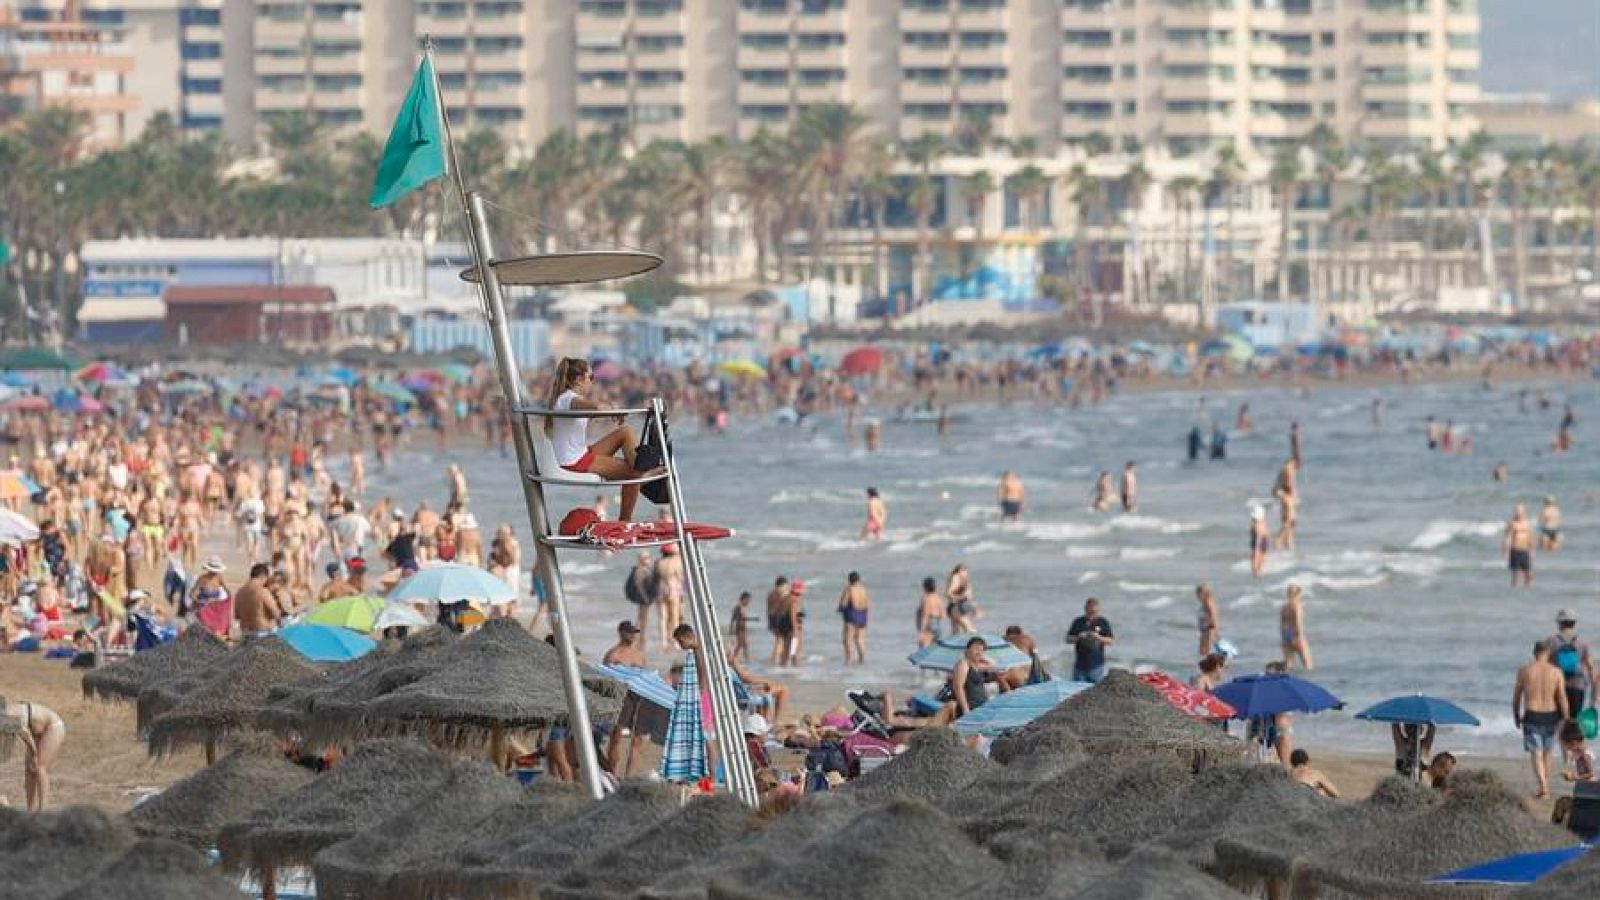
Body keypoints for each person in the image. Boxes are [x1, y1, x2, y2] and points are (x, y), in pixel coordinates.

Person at [542, 357, 661, 521]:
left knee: (624, 432)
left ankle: (641, 470)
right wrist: (610, 410)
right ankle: (625, 521)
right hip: (575, 461)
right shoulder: (570, 399)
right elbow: (596, 407)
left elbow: (587, 413)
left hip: (579, 453)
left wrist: (610, 410)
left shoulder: (565, 398)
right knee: (633, 473)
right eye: (591, 378)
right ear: (578, 380)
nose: (592, 382)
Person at [1514, 640, 1571, 800]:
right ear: (1548, 653)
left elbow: (1517, 696)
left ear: (1534, 653)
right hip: (1551, 715)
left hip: (1532, 714)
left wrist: (1516, 715)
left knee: (1536, 753)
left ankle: (1544, 787)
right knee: (1548, 753)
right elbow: (1562, 698)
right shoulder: (1556, 672)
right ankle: (1544, 787)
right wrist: (1566, 718)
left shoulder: (1525, 670)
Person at [1, 696, 65, 811]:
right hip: (34, 731)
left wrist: (34, 754)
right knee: (29, 769)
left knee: (40, 767)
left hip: (52, 727)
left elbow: (25, 734)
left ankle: (42, 811)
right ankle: (30, 810)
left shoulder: (7, 717)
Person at [1548, 609, 1595, 717]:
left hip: (1557, 686)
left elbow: (1545, 666)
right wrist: (1593, 691)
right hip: (1578, 685)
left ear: (1559, 623)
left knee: (1558, 721)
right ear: (1574, 623)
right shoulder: (1582, 643)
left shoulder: (1551, 641)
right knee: (1574, 721)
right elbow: (1590, 667)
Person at [1066, 597, 1114, 683]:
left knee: (1097, 693)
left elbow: (1110, 641)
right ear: (1085, 609)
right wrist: (1079, 637)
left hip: (1097, 666)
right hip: (1080, 666)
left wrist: (1097, 637)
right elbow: (1068, 639)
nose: (1091, 614)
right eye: (1089, 612)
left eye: (1094, 612)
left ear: (1098, 610)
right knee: (1078, 693)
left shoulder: (1102, 622)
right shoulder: (1078, 622)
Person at [949, 636, 995, 717]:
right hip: (970, 708)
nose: (979, 652)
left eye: (982, 650)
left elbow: (992, 664)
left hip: (980, 708)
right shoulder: (963, 664)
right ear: (967, 650)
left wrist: (980, 655)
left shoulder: (976, 666)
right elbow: (958, 687)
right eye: (976, 649)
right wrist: (965, 710)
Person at [235, 563, 281, 636]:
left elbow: (237, 615)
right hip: (262, 633)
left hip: (246, 633)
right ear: (263, 576)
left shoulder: (239, 592)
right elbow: (276, 614)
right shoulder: (263, 591)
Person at [653, 544, 685, 644]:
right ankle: (675, 642)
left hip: (661, 588)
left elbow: (655, 577)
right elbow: (680, 577)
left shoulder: (658, 562)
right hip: (673, 588)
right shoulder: (676, 562)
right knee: (674, 617)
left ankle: (664, 641)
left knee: (663, 617)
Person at [624, 551, 656, 650]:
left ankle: (641, 636)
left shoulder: (644, 569)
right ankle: (638, 637)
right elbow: (639, 586)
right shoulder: (640, 570)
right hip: (643, 597)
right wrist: (645, 597)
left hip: (643, 597)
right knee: (641, 619)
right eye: (647, 558)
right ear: (642, 560)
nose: (650, 560)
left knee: (642, 618)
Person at [837, 571, 869, 666]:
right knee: (860, 639)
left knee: (847, 639)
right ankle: (862, 659)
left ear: (849, 580)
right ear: (859, 579)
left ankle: (849, 659)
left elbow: (843, 603)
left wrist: (840, 609)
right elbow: (868, 603)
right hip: (863, 614)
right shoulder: (863, 589)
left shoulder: (849, 589)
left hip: (852, 614)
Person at [1280, 584, 1313, 670]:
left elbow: (1282, 625)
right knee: (1308, 664)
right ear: (1299, 594)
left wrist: (1284, 638)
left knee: (1288, 665)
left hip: (1286, 636)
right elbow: (1298, 622)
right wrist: (1300, 636)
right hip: (1296, 635)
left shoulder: (1284, 607)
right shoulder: (1297, 606)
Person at [1504, 504, 1535, 587]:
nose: (1519, 513)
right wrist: (1506, 551)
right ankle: (1514, 592)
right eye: (1517, 512)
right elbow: (1508, 537)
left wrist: (1532, 550)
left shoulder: (1528, 523)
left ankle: (1528, 591)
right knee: (1516, 574)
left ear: (1524, 513)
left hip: (1525, 550)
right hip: (1515, 550)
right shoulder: (1512, 523)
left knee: (1529, 574)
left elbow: (1530, 537)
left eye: (1520, 512)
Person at [944, 563, 979, 633]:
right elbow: (948, 593)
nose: (966, 573)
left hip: (956, 608)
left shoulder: (964, 581)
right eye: (964, 571)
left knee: (956, 632)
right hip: (956, 608)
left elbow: (969, 599)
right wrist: (960, 597)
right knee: (970, 631)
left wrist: (975, 609)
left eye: (966, 571)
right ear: (959, 571)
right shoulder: (956, 577)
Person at [1272, 458, 1298, 551]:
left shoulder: (1287, 469)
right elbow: (1288, 485)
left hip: (1284, 494)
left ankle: (1287, 545)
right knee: (1289, 521)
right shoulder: (1287, 469)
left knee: (1289, 521)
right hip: (1285, 494)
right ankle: (1279, 542)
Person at [765, 576, 791, 665]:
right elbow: (782, 605)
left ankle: (775, 658)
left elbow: (768, 608)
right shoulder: (781, 591)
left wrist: (769, 621)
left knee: (779, 640)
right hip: (778, 617)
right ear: (783, 584)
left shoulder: (770, 593)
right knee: (780, 640)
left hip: (771, 617)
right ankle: (776, 659)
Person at [916, 576, 944, 647]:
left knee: (924, 649)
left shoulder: (926, 598)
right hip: (937, 624)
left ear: (925, 588)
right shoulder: (938, 598)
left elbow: (926, 615)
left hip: (929, 624)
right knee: (933, 650)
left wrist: (921, 632)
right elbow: (943, 615)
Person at [728, 591, 754, 663]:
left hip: (743, 629)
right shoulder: (738, 607)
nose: (748, 602)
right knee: (740, 645)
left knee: (745, 645)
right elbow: (733, 619)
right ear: (743, 599)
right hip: (739, 629)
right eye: (748, 600)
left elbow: (743, 618)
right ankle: (733, 659)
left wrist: (752, 619)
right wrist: (731, 629)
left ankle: (746, 660)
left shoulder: (744, 607)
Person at [1195, 583, 1220, 658]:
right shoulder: (1205, 603)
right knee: (1203, 651)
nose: (1197, 596)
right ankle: (1205, 667)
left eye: (1198, 593)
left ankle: (1209, 667)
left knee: (1206, 651)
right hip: (1205, 629)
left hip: (1209, 628)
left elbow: (1214, 615)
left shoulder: (1208, 603)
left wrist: (1215, 629)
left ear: (1204, 593)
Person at [1249, 506, 1270, 577]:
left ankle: (1255, 572)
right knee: (1263, 556)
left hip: (1258, 540)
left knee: (1255, 556)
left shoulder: (1255, 525)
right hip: (1265, 540)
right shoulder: (1263, 523)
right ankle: (1260, 571)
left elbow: (1258, 538)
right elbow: (1267, 533)